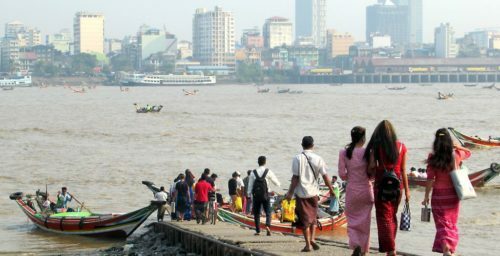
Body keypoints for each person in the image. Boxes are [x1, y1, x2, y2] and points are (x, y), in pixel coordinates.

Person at [364, 120, 410, 256]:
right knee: (392, 216)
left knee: (383, 217)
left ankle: (391, 250)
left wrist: (372, 157)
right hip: (397, 186)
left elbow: (371, 168)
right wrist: (407, 191)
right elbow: (403, 170)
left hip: (381, 185)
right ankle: (391, 247)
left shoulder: (377, 147)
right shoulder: (402, 146)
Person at [422, 128, 471, 256]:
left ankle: (446, 248)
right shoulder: (456, 154)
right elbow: (469, 153)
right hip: (453, 194)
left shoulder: (433, 157)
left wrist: (426, 196)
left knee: (442, 223)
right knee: (451, 222)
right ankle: (449, 249)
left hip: (438, 195)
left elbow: (430, 178)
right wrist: (458, 146)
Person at [285, 136, 336, 252]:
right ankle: (313, 238)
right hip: (314, 193)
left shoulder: (297, 158)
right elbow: (325, 176)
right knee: (313, 218)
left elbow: (295, 178)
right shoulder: (318, 158)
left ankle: (308, 244)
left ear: (302, 145)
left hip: (301, 194)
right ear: (313, 145)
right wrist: (331, 190)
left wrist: (289, 193)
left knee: (304, 220)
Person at [338, 126, 374, 256]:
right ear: (364, 138)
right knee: (365, 222)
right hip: (366, 190)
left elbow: (342, 174)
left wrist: (352, 177)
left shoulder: (344, 152)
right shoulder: (368, 152)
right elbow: (372, 174)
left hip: (352, 190)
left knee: (352, 221)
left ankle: (356, 245)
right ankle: (364, 251)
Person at [247, 156, 281, 236]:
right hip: (266, 195)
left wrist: (249, 194)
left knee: (257, 213)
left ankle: (258, 231)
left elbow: (250, 185)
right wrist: (279, 184)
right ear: (265, 162)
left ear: (258, 162)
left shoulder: (253, 172)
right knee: (268, 212)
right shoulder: (268, 171)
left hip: (256, 196)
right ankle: (267, 226)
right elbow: (275, 182)